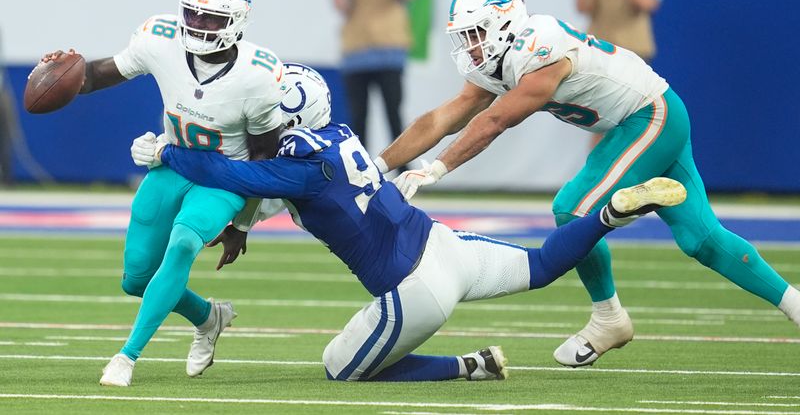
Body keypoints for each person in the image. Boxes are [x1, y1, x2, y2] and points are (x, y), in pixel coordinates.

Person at [130, 63, 687, 382]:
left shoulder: (300, 168)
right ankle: (609, 215)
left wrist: (166, 153)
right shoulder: (341, 137)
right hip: (442, 242)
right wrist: (243, 222)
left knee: (338, 369)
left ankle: (467, 366)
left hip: (413, 287)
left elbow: (229, 172)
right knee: (542, 264)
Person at [376, 0, 800, 367]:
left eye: (475, 33)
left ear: (504, 23)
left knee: (573, 207)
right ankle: (795, 305)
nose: (470, 46)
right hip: (643, 120)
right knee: (701, 240)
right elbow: (441, 118)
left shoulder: (538, 46)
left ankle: (608, 317)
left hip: (651, 117)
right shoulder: (502, 58)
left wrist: (435, 169)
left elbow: (495, 121)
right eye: (465, 37)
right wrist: (378, 165)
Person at [38, 0, 286, 386]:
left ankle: (127, 355)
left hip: (223, 179)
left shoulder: (259, 75)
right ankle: (209, 317)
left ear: (237, 22)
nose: (199, 25)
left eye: (212, 18)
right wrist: (67, 71)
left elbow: (264, 159)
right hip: (171, 165)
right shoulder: (160, 38)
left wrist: (241, 225)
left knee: (184, 242)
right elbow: (100, 74)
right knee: (136, 279)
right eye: (193, 14)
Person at [333, 0, 419, 156]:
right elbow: (341, 5)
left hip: (389, 54)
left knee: (394, 114)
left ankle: (402, 166)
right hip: (356, 55)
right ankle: (358, 168)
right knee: (358, 118)